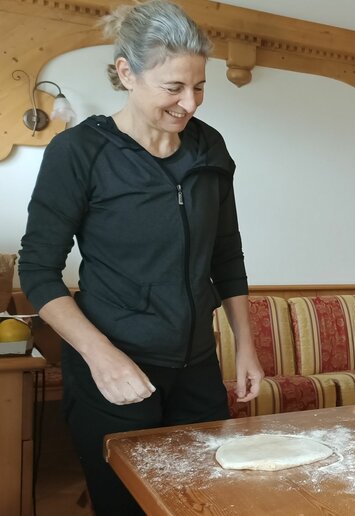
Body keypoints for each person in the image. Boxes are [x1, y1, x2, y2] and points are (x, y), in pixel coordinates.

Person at [18, 1, 263, 513]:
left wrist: (245, 346)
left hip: (197, 369)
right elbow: (38, 269)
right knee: (126, 506)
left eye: (199, 87)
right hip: (116, 367)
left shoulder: (209, 148)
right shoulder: (80, 153)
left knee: (203, 502)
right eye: (173, 88)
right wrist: (99, 354)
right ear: (127, 74)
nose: (190, 103)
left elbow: (227, 253)